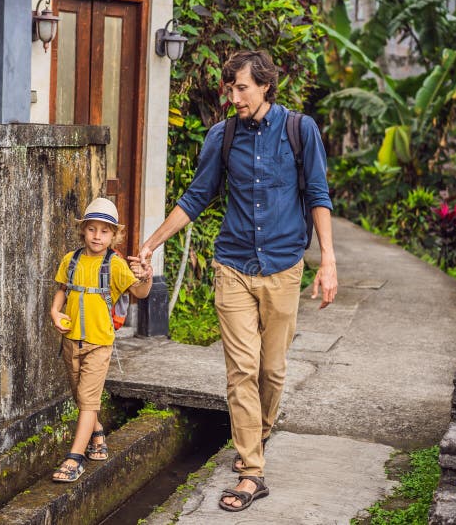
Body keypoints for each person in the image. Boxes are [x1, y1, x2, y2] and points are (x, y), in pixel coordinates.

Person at [129, 50, 337, 511]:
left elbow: (318, 194)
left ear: (265, 86)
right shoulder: (222, 137)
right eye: (230, 88)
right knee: (241, 370)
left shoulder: (300, 131)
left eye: (241, 88)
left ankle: (256, 436)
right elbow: (197, 195)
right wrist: (152, 243)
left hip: (283, 267)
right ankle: (251, 470)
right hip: (234, 266)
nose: (233, 97)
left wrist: (328, 261)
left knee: (272, 371)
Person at [49, 197, 153, 482]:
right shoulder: (70, 260)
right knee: (82, 397)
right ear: (83, 230)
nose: (97, 236)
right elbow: (62, 289)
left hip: (99, 343)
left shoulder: (116, 265)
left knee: (87, 401)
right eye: (92, 229)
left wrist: (147, 276)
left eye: (105, 231)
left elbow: (141, 293)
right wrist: (55, 313)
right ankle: (97, 435)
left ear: (114, 235)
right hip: (71, 341)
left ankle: (74, 458)